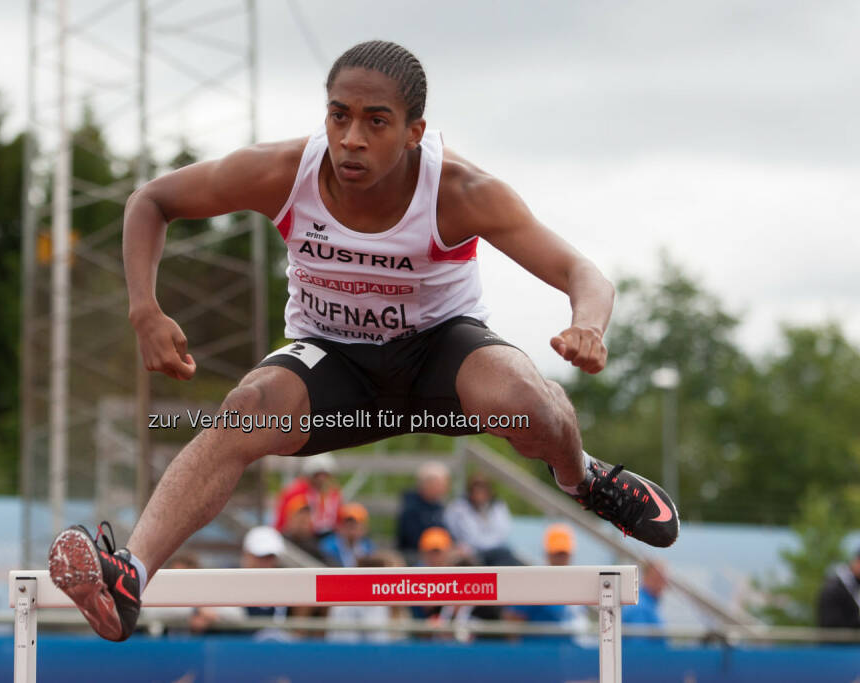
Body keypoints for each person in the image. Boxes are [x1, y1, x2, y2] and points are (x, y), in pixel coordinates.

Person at [48, 39, 681, 642]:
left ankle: (584, 480)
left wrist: (589, 326)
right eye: (339, 116)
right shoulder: (282, 173)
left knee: (526, 397)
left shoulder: (459, 191)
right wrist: (144, 310)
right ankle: (129, 573)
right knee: (245, 409)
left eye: (376, 122)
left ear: (415, 131)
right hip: (334, 361)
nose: (351, 139)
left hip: (439, 354)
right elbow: (151, 200)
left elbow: (584, 275)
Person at [505, 524, 590, 643]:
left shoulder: (576, 583)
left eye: (564, 554)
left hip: (571, 652)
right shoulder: (535, 584)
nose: (561, 559)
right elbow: (513, 619)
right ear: (547, 554)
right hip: (543, 654)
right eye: (557, 554)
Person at [444, 471, 519, 565]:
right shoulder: (458, 508)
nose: (479, 493)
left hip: (496, 550)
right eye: (476, 489)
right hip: (468, 552)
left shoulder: (498, 506)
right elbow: (452, 530)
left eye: (483, 489)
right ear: (470, 491)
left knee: (506, 557)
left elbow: (503, 531)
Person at [274, 452, 341, 537]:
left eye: (324, 475)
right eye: (317, 474)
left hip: (328, 535)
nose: (321, 479)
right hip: (301, 536)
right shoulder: (295, 492)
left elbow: (338, 518)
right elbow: (283, 520)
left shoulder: (334, 492)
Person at [396, 461, 451, 556]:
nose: (444, 488)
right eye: (440, 484)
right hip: (416, 556)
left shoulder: (438, 506)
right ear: (427, 484)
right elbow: (413, 539)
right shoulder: (411, 509)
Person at [319, 503, 375, 567]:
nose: (352, 530)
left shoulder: (369, 547)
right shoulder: (326, 547)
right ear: (340, 526)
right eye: (349, 525)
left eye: (356, 525)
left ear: (364, 528)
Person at [816, 547, 860, 629]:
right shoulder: (834, 588)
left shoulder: (853, 585)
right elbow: (830, 624)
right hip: (836, 640)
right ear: (857, 562)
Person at [279, 494, 327, 562]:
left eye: (306, 517)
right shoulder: (280, 541)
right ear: (289, 518)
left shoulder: (316, 544)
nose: (304, 521)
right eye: (300, 518)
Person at [622, 559, 668, 628]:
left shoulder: (645, 604)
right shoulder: (640, 608)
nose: (662, 584)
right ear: (645, 578)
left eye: (663, 580)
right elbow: (638, 637)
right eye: (657, 579)